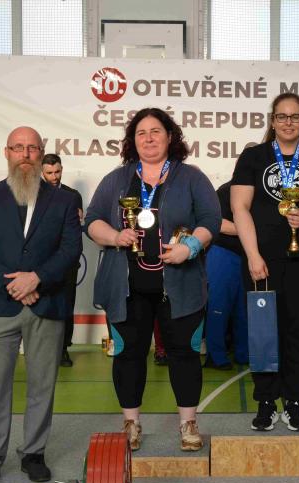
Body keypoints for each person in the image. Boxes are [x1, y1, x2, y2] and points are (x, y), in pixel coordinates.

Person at [85, 108, 220, 452]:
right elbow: (92, 220)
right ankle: (131, 423)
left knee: (184, 354)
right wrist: (115, 237)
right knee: (128, 355)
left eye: (155, 131)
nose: (148, 138)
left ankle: (188, 423)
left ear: (170, 137)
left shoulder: (191, 177)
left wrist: (189, 248)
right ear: (133, 141)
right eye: (141, 133)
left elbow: (211, 220)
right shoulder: (117, 179)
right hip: (126, 289)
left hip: (181, 287)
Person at [0, 126, 82, 483]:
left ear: (41, 152)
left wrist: (37, 279)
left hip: (46, 303)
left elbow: (70, 249)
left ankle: (34, 453)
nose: (26, 154)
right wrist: (13, 284)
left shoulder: (63, 200)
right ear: (7, 153)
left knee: (42, 385)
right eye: (18, 147)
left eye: (32, 148)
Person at [232, 92, 299, 432]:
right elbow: (239, 208)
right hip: (262, 259)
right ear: (272, 120)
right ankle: (266, 401)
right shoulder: (253, 157)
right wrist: (253, 255)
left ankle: (294, 400)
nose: (289, 122)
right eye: (282, 116)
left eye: (295, 116)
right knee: (264, 330)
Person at [42, 153, 84, 368]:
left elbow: (76, 229)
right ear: (42, 172)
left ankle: (63, 349)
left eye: (57, 171)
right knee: (43, 304)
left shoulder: (73, 195)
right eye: (49, 172)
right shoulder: (33, 193)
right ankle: (41, 349)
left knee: (66, 304)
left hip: (67, 261)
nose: (54, 176)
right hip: (41, 261)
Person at [204, 179, 248, 370]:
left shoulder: (261, 192)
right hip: (223, 253)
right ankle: (216, 356)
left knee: (244, 309)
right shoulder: (226, 190)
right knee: (218, 308)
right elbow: (218, 223)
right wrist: (249, 230)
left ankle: (244, 354)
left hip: (248, 257)